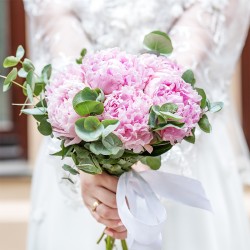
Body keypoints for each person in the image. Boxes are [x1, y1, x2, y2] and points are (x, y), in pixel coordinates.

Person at [23, 0, 250, 249]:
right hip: (84, 154)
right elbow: (60, 34)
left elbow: (198, 37)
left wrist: (149, 145)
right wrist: (87, 160)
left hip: (182, 147)